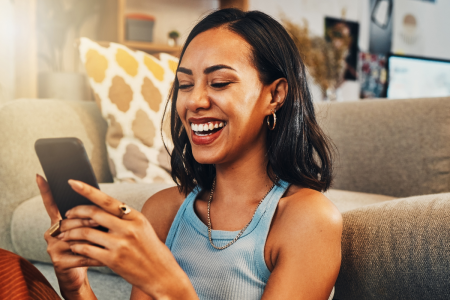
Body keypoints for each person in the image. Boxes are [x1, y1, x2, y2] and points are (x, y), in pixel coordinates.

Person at [36, 8, 342, 300]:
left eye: (219, 82)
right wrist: (77, 290)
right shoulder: (164, 210)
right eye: (184, 84)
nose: (194, 100)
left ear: (275, 95)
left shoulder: (307, 220)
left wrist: (166, 283)